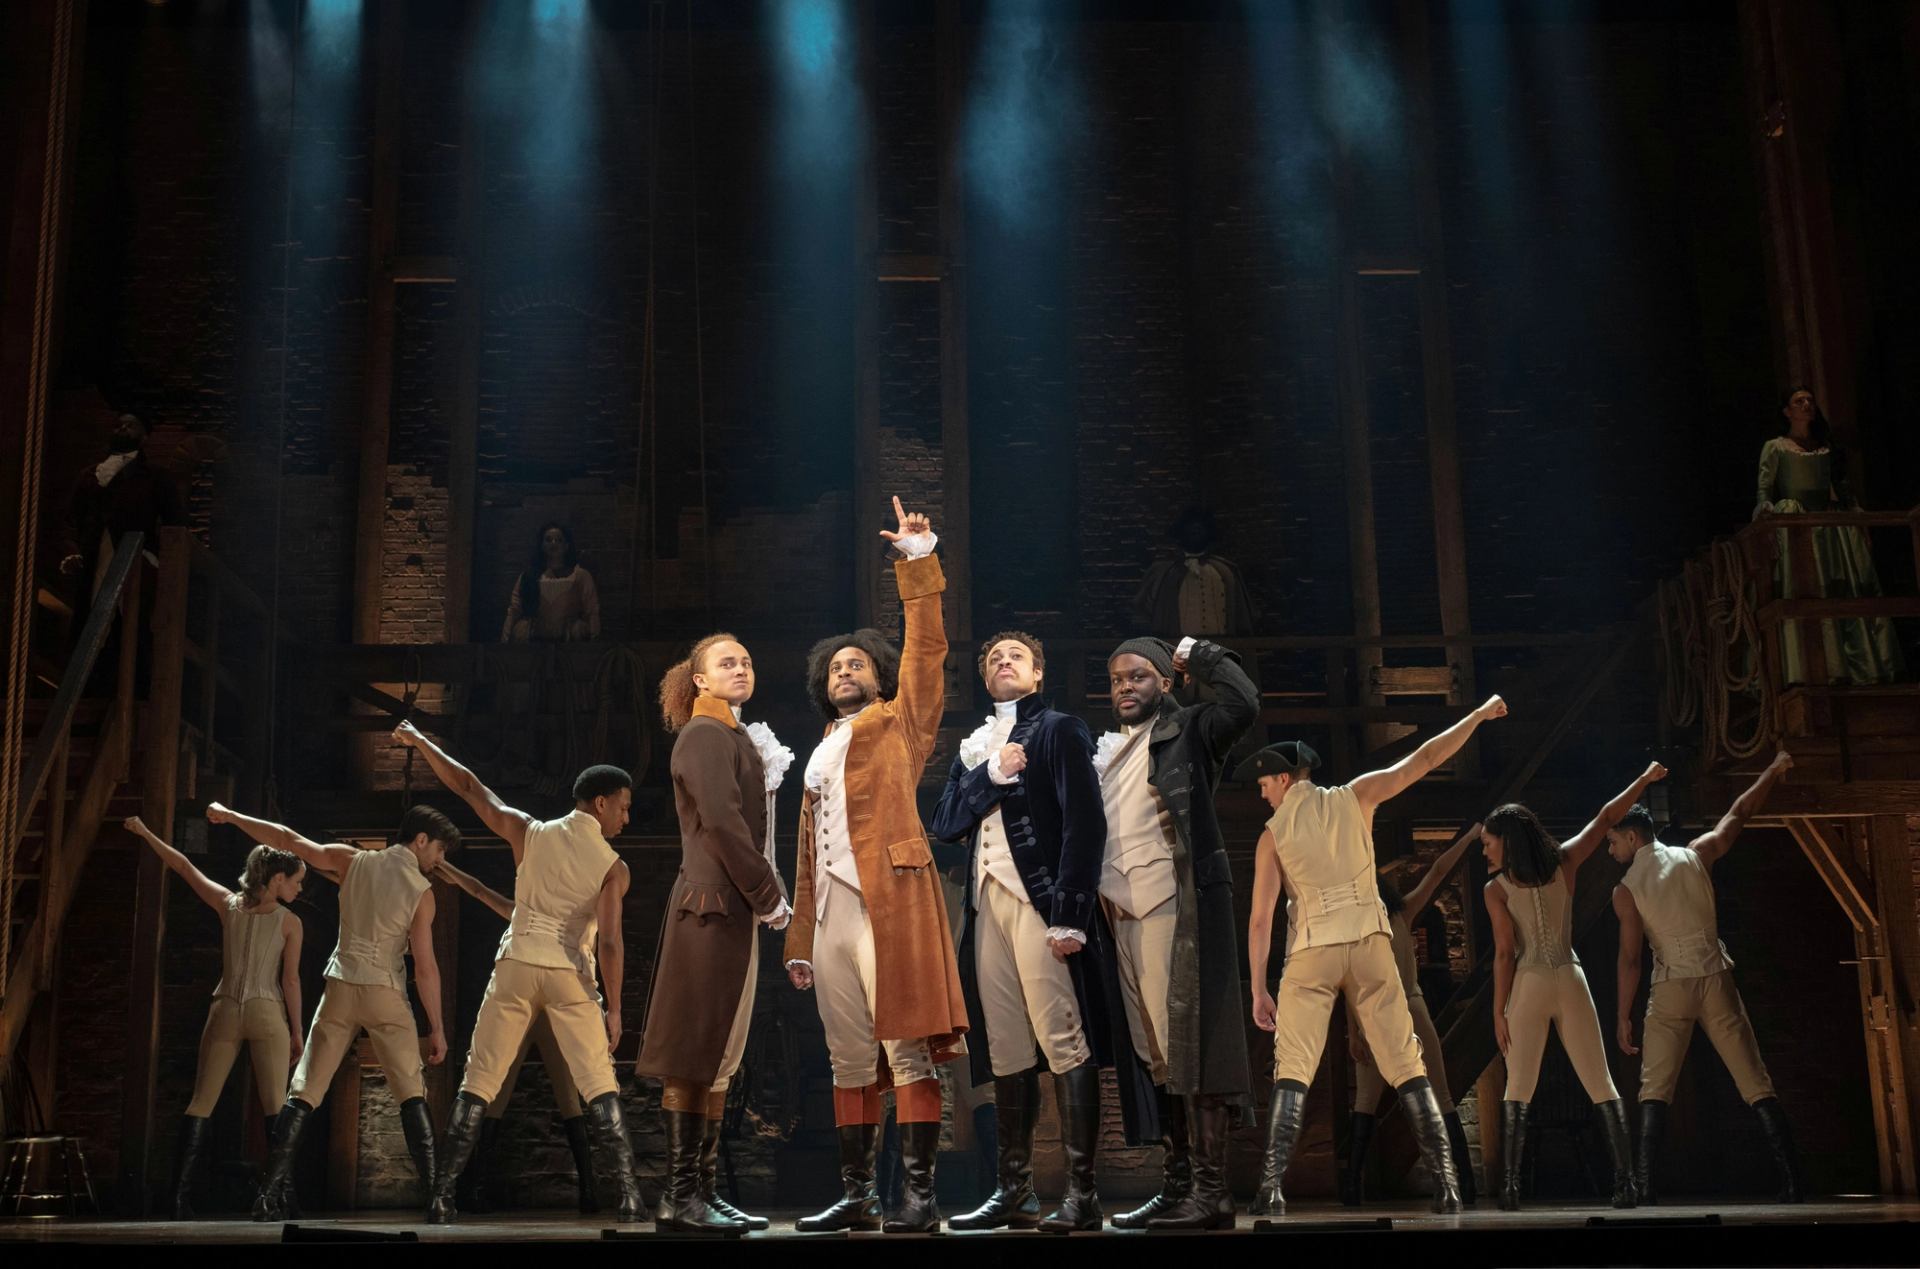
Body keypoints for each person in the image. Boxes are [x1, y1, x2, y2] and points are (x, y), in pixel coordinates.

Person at [783, 497, 970, 1235]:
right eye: (835, 667)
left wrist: (920, 564)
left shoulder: (899, 721)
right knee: (849, 1057)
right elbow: (805, 855)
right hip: (829, 913)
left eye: (856, 662)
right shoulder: (818, 750)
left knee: (907, 1045)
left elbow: (926, 654)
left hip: (887, 902)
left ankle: (918, 1195)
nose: (845, 671)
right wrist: (800, 937)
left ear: (878, 675)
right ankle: (857, 1193)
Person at [1247, 701, 1508, 1218]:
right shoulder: (1357, 795)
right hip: (1370, 945)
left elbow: (1261, 919)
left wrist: (1259, 987)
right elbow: (1424, 759)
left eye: (1264, 786)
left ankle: (1271, 1189)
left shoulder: (1272, 835)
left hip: (1312, 952)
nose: (1262, 795)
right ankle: (1448, 1186)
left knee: (1293, 1069)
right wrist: (1478, 716)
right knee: (1407, 1063)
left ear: (1282, 778)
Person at [394, 724, 644, 1225]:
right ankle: (630, 1198)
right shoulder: (613, 867)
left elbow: (468, 787)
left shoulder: (529, 830)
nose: (626, 816)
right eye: (622, 806)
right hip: (569, 974)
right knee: (598, 1083)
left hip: (517, 964)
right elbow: (611, 942)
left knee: (478, 1081)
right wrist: (615, 1008)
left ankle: (442, 1198)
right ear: (599, 803)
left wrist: (421, 744)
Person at [930, 631, 1129, 1233]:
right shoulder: (976, 747)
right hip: (987, 908)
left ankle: (1082, 1193)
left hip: (1042, 906)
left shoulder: (1058, 729)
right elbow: (943, 823)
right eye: (994, 659)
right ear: (987, 680)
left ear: (1038, 674)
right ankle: (1013, 1191)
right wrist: (989, 774)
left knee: (1063, 1036)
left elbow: (1085, 823)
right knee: (1008, 1047)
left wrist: (1070, 909)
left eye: (1016, 656)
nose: (1004, 663)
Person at [209, 799, 456, 1222]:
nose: (440, 859)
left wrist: (232, 817)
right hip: (385, 991)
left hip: (341, 984)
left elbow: (287, 840)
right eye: (438, 849)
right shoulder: (422, 894)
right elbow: (426, 968)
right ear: (420, 840)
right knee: (411, 1093)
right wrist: (436, 1027)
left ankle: (267, 1196)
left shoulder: (351, 860)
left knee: (304, 1090)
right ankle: (437, 1199)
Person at [1089, 634, 1260, 1230]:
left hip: (1171, 902)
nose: (1124, 688)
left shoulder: (1189, 730)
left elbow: (1244, 704)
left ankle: (1212, 1192)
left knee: (1189, 1047)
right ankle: (1179, 1183)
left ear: (1165, 681)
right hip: (1120, 912)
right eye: (1115, 679)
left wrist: (1201, 654)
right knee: (1156, 1054)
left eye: (1137, 676)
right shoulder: (1113, 750)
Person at [639, 634, 793, 1231]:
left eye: (747, 661)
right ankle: (680, 1196)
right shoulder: (704, 735)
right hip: (710, 909)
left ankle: (699, 1192)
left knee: (721, 1056)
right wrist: (769, 894)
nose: (741, 668)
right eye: (726, 662)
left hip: (730, 911)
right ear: (698, 679)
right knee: (695, 1053)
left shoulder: (730, 735)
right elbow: (725, 825)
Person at [1612, 749, 1804, 1203]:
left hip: (1672, 985)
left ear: (1634, 837)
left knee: (1655, 1086)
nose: (1610, 849)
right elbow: (1740, 811)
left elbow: (1630, 960)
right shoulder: (1696, 854)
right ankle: (1794, 1182)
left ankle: (1646, 1188)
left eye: (1613, 841)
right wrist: (1773, 770)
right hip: (1716, 978)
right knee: (1754, 1079)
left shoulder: (1626, 890)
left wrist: (1623, 1015)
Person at [1481, 762, 1667, 1210]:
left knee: (1518, 1086)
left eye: (1487, 844)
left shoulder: (1497, 888)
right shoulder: (1564, 861)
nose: (1484, 852)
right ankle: (1626, 1186)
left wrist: (1497, 1011)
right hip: (1570, 975)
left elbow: (1505, 954)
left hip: (1529, 981)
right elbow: (1605, 819)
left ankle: (1509, 1191)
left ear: (1506, 840)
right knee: (1600, 1082)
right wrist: (1641, 780)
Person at [125, 816, 304, 1220]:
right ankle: (280, 1198)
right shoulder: (290, 922)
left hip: (224, 1009)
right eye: (295, 881)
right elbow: (290, 981)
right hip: (267, 1012)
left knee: (200, 1103)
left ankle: (177, 1199)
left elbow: (185, 867)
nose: (298, 888)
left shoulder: (229, 906)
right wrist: (297, 1031)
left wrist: (146, 831)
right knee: (276, 1106)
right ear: (276, 879)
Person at [433, 857, 626, 1215]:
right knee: (495, 1091)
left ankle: (589, 1187)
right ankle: (472, 1188)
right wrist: (448, 868)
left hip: (551, 1008)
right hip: (530, 1003)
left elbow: (605, 944)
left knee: (568, 1094)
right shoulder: (531, 911)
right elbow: (479, 889)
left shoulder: (583, 906)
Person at [1341, 822, 1484, 1207]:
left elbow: (1438, 871)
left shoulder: (1397, 915)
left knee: (1435, 1094)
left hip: (1403, 1007)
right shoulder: (1358, 928)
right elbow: (1350, 984)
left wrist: (1469, 839)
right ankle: (1353, 1186)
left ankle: (1463, 1183)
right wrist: (1353, 1034)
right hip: (1382, 1013)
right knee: (1370, 1101)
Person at [1753, 387, 1902, 684]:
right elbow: (1764, 489)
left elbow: (1842, 486)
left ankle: (1860, 667)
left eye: (1809, 400)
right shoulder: (1776, 446)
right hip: (1798, 520)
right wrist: (1768, 514)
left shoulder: (1824, 447)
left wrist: (1855, 516)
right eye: (1799, 401)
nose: (1807, 405)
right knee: (1808, 586)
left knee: (1845, 585)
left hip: (1830, 522)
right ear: (1787, 411)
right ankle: (1808, 667)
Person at [58, 412, 183, 601]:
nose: (123, 428)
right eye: (119, 425)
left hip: (135, 557)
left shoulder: (156, 477)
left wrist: (154, 558)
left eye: (131, 425)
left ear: (144, 437)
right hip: (91, 557)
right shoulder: (89, 475)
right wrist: (72, 550)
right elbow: (71, 518)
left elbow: (174, 522)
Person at [502, 522, 601, 643]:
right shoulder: (529, 576)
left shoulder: (580, 576)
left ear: (566, 545)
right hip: (535, 639)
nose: (553, 543)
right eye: (548, 540)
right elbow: (514, 609)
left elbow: (591, 610)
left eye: (558, 540)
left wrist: (594, 639)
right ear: (542, 545)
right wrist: (505, 640)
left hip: (570, 638)